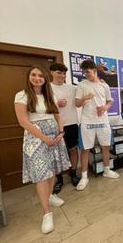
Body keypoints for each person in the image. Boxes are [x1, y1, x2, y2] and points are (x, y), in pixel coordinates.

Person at [14, 66, 70, 234]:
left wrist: (61, 131)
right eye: (33, 75)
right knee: (41, 175)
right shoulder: (21, 95)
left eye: (40, 75)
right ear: (28, 76)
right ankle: (47, 213)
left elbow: (57, 115)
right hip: (36, 138)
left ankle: (50, 195)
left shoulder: (49, 95)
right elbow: (23, 122)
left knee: (52, 170)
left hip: (54, 135)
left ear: (45, 78)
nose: (37, 78)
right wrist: (45, 138)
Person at [75, 59, 119, 191]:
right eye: (84, 72)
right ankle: (84, 177)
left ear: (94, 71)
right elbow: (77, 104)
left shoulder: (104, 85)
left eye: (88, 72)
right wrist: (85, 98)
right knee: (85, 149)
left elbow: (110, 101)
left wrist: (105, 108)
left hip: (102, 121)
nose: (86, 74)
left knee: (106, 146)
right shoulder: (82, 85)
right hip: (87, 121)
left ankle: (106, 170)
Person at [50, 63, 80, 192]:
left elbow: (86, 88)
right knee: (56, 153)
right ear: (51, 72)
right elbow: (41, 106)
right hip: (54, 125)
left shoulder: (72, 88)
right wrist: (56, 103)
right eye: (59, 72)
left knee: (73, 150)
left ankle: (73, 173)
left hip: (72, 123)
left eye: (63, 73)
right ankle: (59, 179)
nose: (62, 76)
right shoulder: (47, 88)